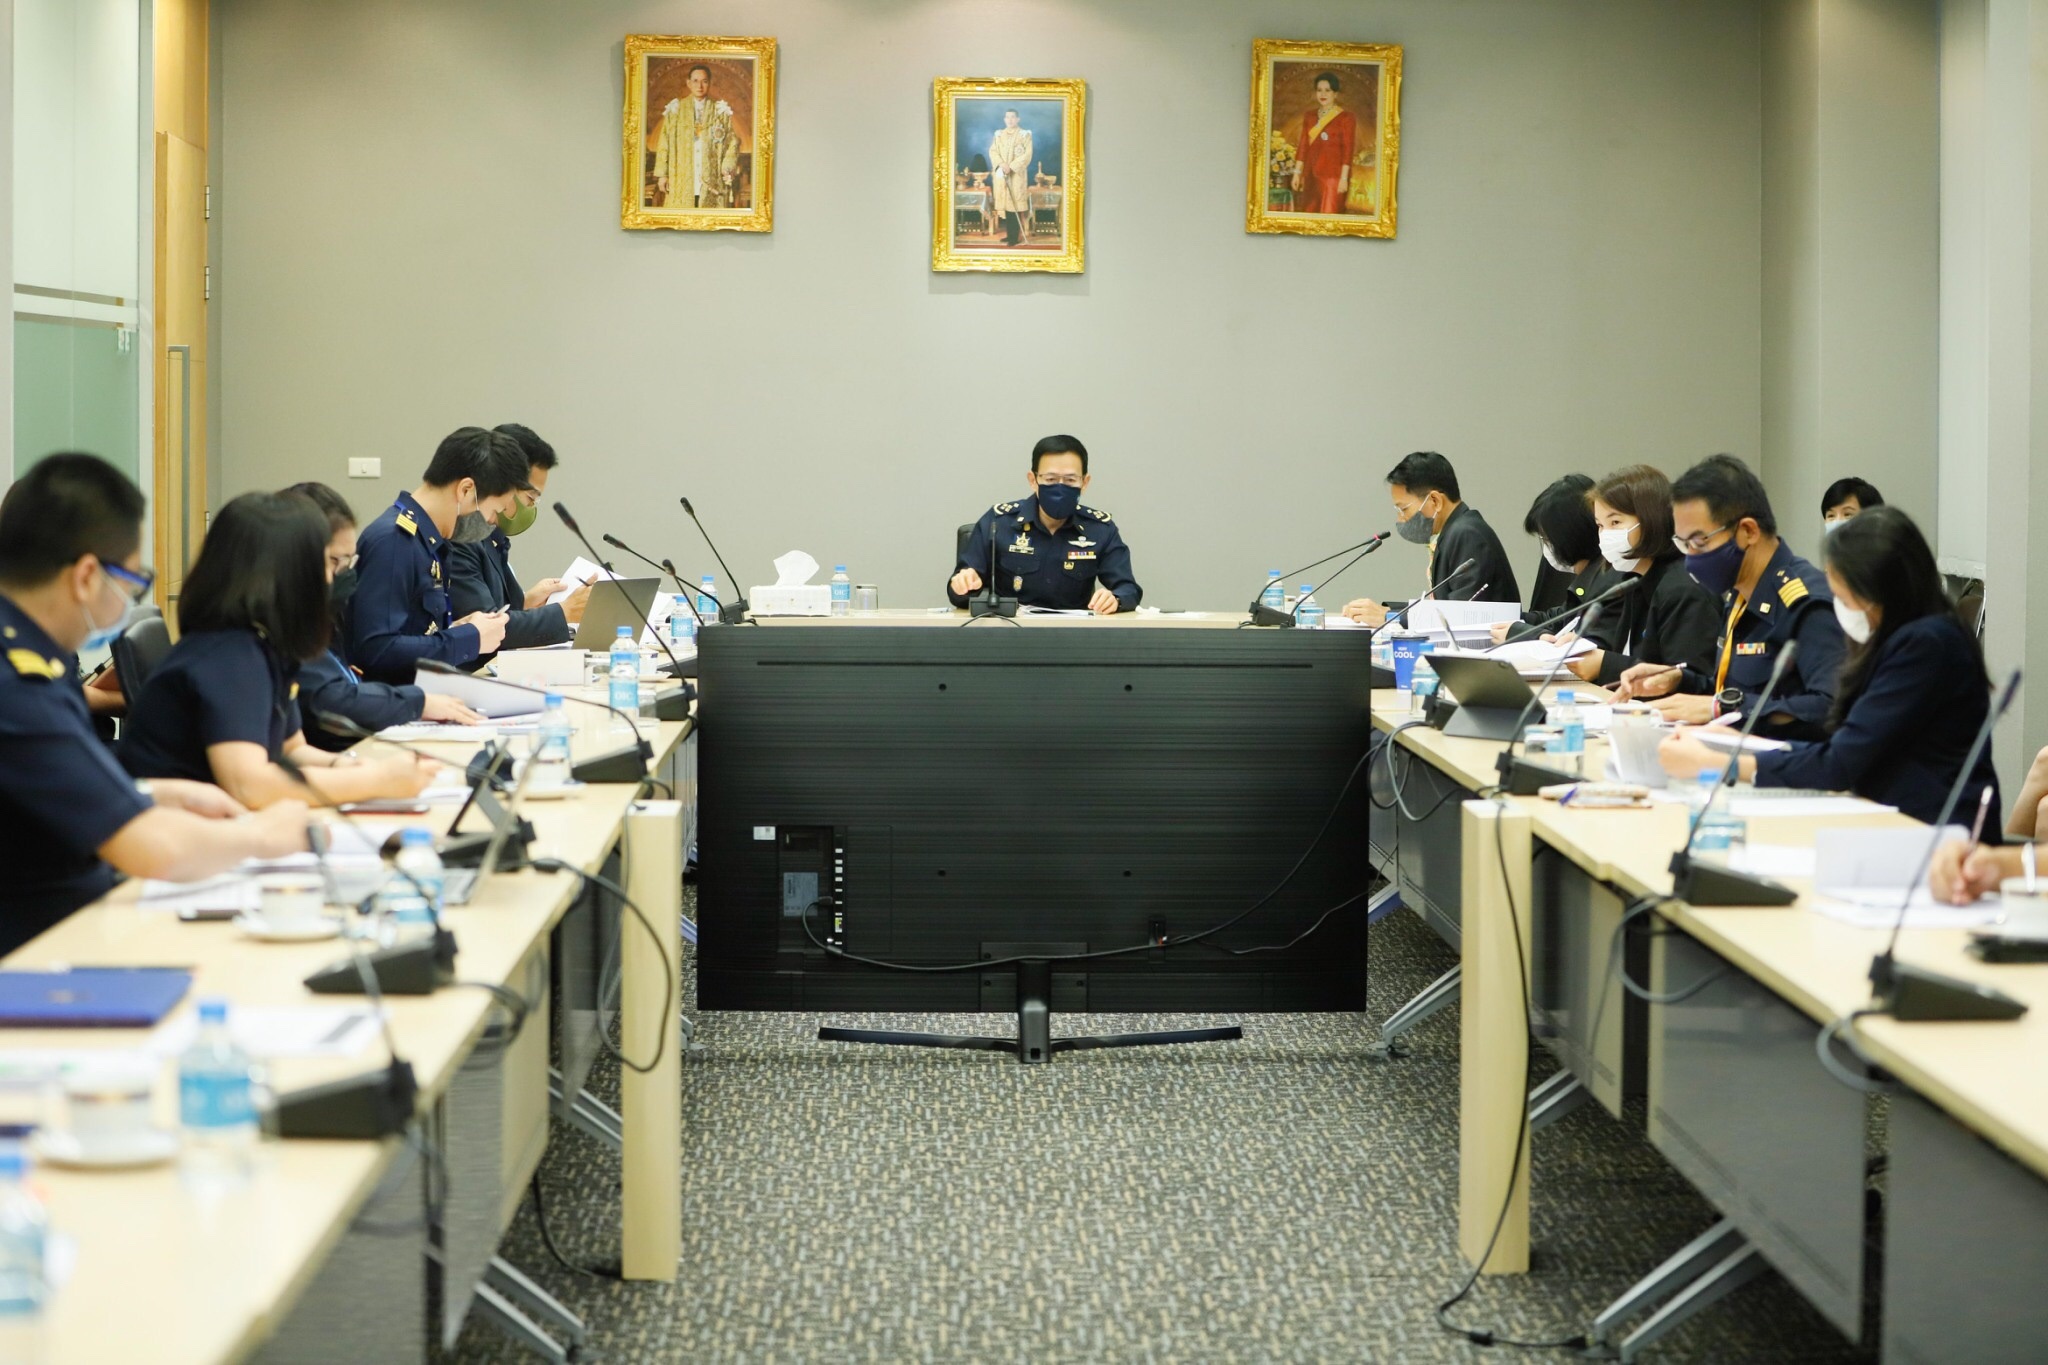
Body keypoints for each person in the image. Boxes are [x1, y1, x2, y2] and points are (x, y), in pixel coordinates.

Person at [0, 454, 309, 951]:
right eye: (131, 583)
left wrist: (147, 793)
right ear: (86, 576)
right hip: (38, 945)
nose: (129, 599)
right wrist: (263, 836)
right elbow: (154, 850)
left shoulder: (35, 654)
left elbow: (43, 787)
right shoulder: (19, 681)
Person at [1658, 507, 1997, 828]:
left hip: (1934, 833)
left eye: (1845, 600)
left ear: (1881, 589)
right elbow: (1845, 746)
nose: (1841, 611)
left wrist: (1722, 763)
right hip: (1889, 818)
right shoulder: (1900, 637)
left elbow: (1841, 762)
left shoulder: (1925, 644)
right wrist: (1744, 746)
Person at [121, 492, 438, 808]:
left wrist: (349, 766)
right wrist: (376, 781)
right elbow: (249, 786)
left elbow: (291, 749)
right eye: (325, 563)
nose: (330, 578)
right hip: (172, 829)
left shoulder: (265, 642)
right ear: (286, 573)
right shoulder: (230, 652)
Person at [1613, 454, 1844, 737]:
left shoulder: (1805, 603)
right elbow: (1733, 690)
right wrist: (1678, 679)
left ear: (1748, 531)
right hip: (1730, 750)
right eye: (1683, 544)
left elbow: (1831, 709)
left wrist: (1721, 708)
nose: (1690, 559)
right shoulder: (1739, 595)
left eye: (1699, 541)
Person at [284, 482, 485, 750]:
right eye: (334, 562)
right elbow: (332, 697)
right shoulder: (282, 626)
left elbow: (347, 683)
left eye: (348, 563)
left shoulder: (321, 618)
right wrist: (418, 702)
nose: (343, 575)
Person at [345, 426, 525, 684]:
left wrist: (458, 629)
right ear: (466, 490)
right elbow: (378, 649)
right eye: (494, 511)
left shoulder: (427, 541)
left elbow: (412, 633)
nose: (492, 523)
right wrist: (469, 639)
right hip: (399, 701)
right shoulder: (395, 542)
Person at [1565, 465, 1721, 686]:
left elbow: (1687, 681)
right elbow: (1635, 657)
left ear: (1651, 519)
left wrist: (1604, 664)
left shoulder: (1683, 587)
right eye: (1600, 525)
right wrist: (1587, 648)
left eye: (1615, 522)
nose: (1605, 535)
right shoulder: (1634, 579)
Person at [947, 435, 1139, 614]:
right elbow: (959, 596)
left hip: (1074, 634)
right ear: (1033, 480)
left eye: (1070, 480)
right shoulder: (998, 523)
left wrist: (1115, 599)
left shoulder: (1100, 529)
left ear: (1085, 482)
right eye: (1051, 479)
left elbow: (1128, 589)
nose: (1060, 487)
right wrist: (963, 585)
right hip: (1008, 631)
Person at [445, 424, 592, 656]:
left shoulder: (492, 538)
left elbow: (493, 610)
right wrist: (564, 612)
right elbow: (484, 629)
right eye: (530, 498)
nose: (531, 508)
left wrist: (525, 602)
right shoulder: (462, 537)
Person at [1342, 451, 1519, 627]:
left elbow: (1461, 617)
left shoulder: (1467, 534)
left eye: (1403, 509)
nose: (1400, 519)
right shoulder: (1453, 531)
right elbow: (1444, 607)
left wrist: (1390, 617)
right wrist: (1387, 612)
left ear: (1435, 500)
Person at [1513, 474, 1610, 624]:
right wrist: (1512, 619)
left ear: (1568, 536)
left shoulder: (1606, 585)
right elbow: (1560, 619)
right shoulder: (1589, 579)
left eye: (1546, 538)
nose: (1546, 546)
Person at [653, 63, 740, 209]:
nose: (699, 86)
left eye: (704, 81)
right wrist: (663, 175)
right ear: (688, 83)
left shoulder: (720, 111)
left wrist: (727, 168)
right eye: (695, 81)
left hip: (711, 178)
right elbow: (664, 143)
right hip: (682, 176)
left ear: (709, 83)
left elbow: (731, 142)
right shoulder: (676, 110)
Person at [1289, 72, 1357, 214]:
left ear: (1335, 94)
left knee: (1329, 216)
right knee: (1309, 215)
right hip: (1311, 175)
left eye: (1328, 90)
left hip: (1333, 178)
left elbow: (1348, 150)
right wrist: (1297, 173)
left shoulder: (1346, 118)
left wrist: (1344, 178)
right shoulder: (1310, 116)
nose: (1323, 94)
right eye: (1319, 90)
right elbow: (1303, 146)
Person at [989, 108, 1033, 246]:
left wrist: (1011, 166)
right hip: (1002, 174)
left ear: (1018, 119)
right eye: (1007, 117)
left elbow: (1027, 155)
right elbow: (993, 151)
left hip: (1016, 176)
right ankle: (1009, 235)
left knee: (1014, 205)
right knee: (1007, 206)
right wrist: (1001, 164)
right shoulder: (999, 135)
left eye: (1013, 117)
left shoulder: (1024, 135)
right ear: (1004, 119)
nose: (1010, 120)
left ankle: (1015, 237)